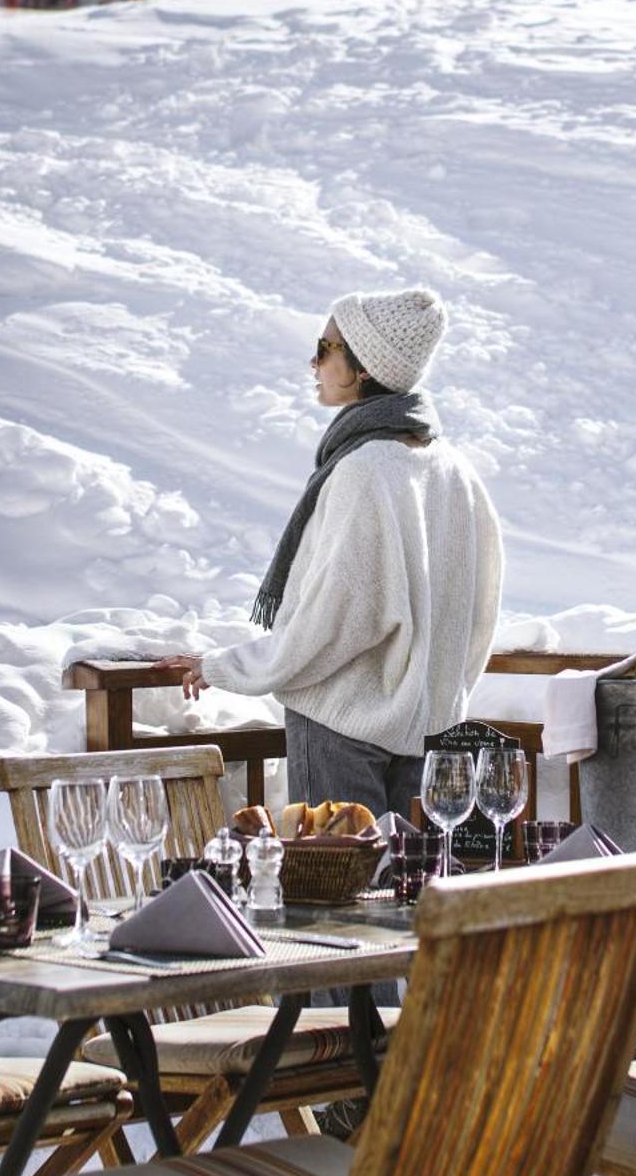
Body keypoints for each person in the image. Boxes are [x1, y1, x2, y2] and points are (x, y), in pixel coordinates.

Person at [157, 286, 503, 820]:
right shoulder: (455, 471)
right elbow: (478, 611)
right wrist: (436, 698)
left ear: (362, 368)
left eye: (325, 348)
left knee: (337, 888)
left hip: (342, 727)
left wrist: (227, 666)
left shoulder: (364, 470)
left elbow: (333, 617)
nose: (313, 362)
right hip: (426, 731)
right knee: (406, 892)